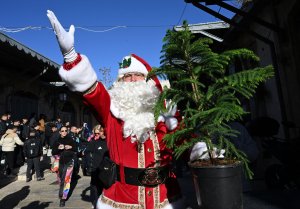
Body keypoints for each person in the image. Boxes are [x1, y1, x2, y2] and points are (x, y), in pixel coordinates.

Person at [47, 10, 186, 209]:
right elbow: (92, 90)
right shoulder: (112, 111)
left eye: (137, 75)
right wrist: (70, 56)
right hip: (122, 200)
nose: (131, 81)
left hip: (166, 197)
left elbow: (186, 141)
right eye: (126, 77)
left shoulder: (167, 112)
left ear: (147, 79)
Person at [52, 126, 77, 207]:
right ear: (60, 132)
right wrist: (59, 148)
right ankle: (61, 194)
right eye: (62, 131)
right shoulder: (57, 141)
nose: (64, 132)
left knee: (67, 180)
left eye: (66, 130)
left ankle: (63, 198)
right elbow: (53, 152)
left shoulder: (70, 140)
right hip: (60, 163)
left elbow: (76, 149)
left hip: (69, 162)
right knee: (60, 180)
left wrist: (71, 147)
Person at [84, 124, 108, 208]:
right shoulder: (93, 142)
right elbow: (86, 153)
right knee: (96, 189)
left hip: (108, 171)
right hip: (96, 170)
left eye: (101, 132)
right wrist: (89, 165)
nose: (99, 134)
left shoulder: (110, 142)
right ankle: (96, 203)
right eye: (97, 133)